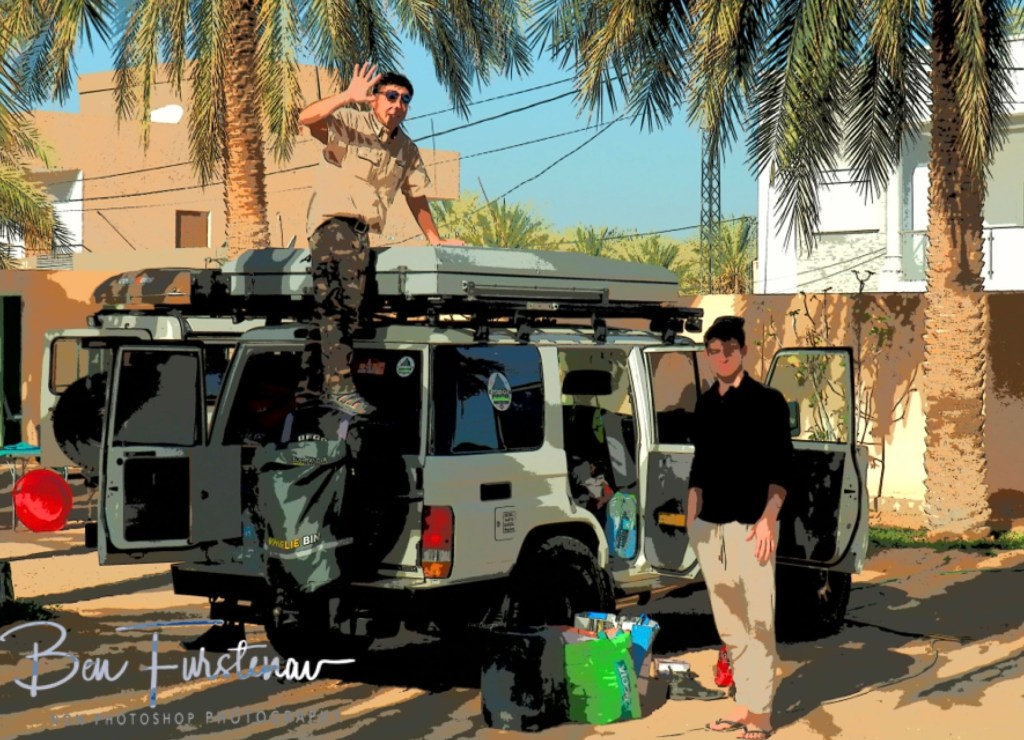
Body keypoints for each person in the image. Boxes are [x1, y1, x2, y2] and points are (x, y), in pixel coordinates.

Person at [297, 63, 463, 416]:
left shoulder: (405, 148)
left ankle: (309, 392)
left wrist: (435, 239)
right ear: (374, 99)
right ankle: (338, 386)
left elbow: (415, 195)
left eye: (405, 99)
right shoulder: (352, 124)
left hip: (361, 235)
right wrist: (346, 96)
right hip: (333, 225)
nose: (398, 104)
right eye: (391, 96)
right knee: (339, 307)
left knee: (341, 312)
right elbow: (307, 119)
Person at [686, 316, 793, 740]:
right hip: (710, 529)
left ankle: (761, 715)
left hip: (753, 527)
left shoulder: (768, 401)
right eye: (714, 350)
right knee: (730, 624)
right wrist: (692, 518)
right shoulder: (706, 403)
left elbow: (783, 468)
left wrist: (769, 518)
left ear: (743, 351)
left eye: (729, 348)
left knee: (758, 622)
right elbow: (699, 465)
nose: (722, 357)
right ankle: (743, 704)